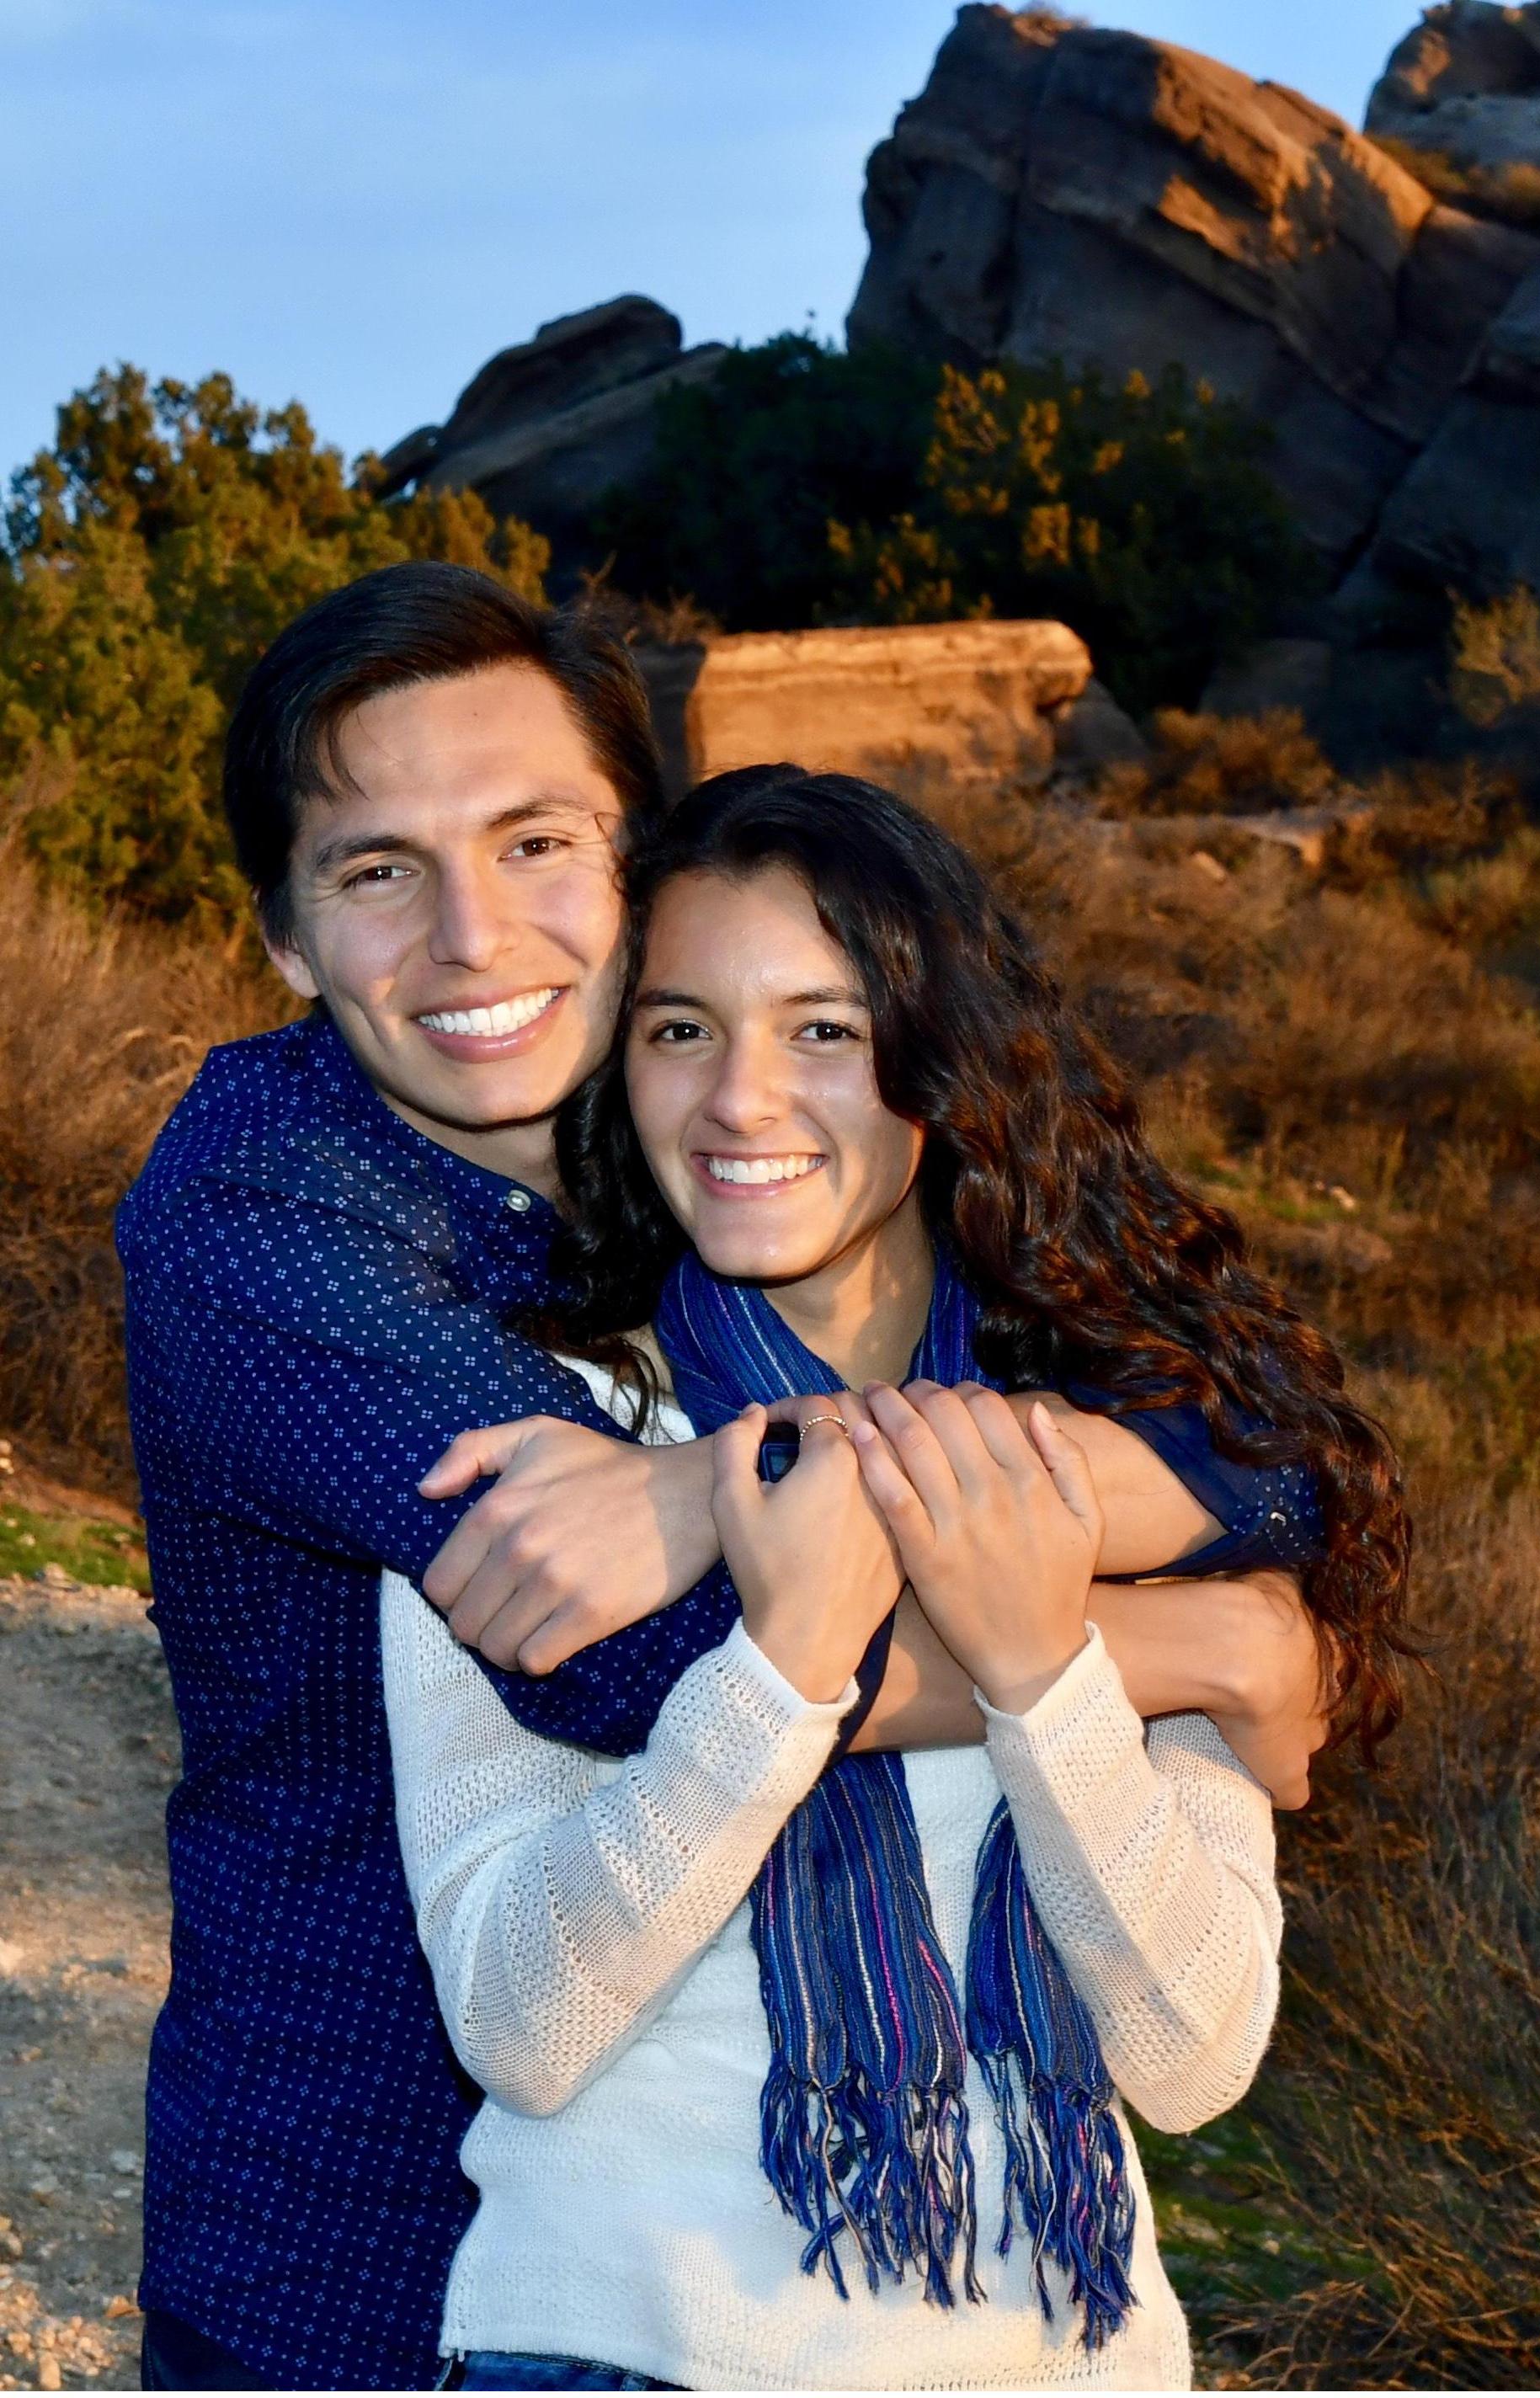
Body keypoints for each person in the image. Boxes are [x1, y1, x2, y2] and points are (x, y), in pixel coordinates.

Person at [116, 564, 1334, 2390]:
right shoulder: (273, 1221)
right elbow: (638, 1653)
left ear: (634, 864)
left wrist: (718, 1487)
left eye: (536, 842)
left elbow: (1260, 1472)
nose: (472, 937)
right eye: (378, 871)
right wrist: (1196, 1646)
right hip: (356, 2246)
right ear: (287, 939)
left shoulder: (662, 1211)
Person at [379, 765, 1411, 2390]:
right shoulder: (547, 1455)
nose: (740, 1101)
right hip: (625, 2348)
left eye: (824, 1030)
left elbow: (1194, 2055)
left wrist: (1045, 1673)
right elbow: (520, 2024)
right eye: (680, 1028)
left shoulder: (1109, 1483)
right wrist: (780, 1673)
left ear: (938, 1064)